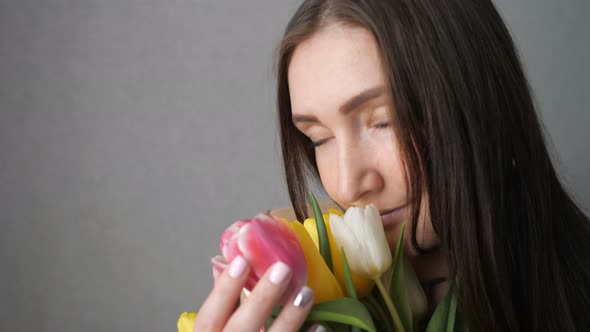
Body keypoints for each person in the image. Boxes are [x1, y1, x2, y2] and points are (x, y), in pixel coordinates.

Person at [190, 0, 590, 331]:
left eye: (385, 121)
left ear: (479, 100)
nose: (347, 185)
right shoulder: (317, 290)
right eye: (319, 139)